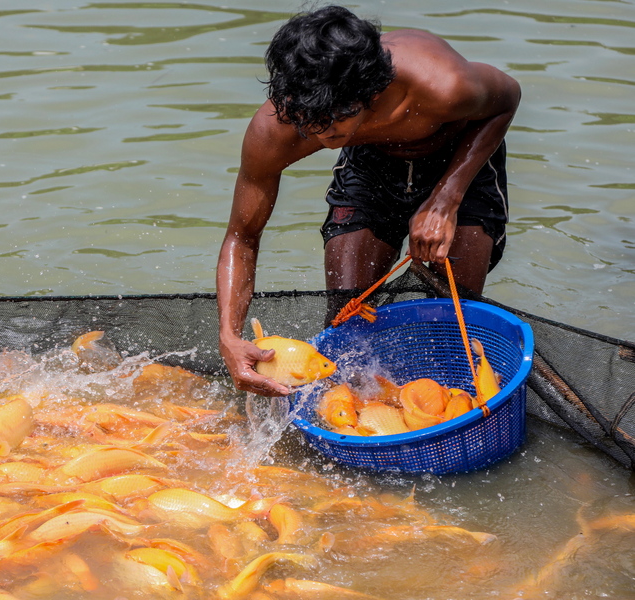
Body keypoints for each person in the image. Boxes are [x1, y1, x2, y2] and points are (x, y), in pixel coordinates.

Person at [216, 5, 521, 396]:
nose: (317, 132)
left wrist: (444, 200)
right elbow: (242, 236)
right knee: (346, 323)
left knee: (453, 319)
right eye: (307, 119)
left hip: (457, 157)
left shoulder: (442, 85)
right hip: (371, 162)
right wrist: (229, 334)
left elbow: (507, 98)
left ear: (372, 94)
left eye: (333, 119)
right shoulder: (279, 128)